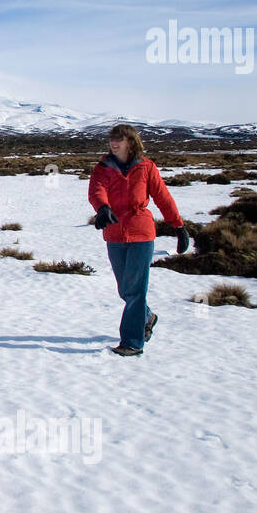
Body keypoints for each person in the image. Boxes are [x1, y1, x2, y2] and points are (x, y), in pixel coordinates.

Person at [88, 124, 190, 356]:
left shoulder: (146, 167)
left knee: (135, 291)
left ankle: (132, 342)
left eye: (119, 139)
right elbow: (96, 190)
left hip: (141, 233)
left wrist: (179, 226)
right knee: (125, 290)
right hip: (114, 233)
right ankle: (148, 317)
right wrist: (102, 207)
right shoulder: (103, 167)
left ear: (131, 142)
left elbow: (163, 198)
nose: (114, 143)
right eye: (112, 139)